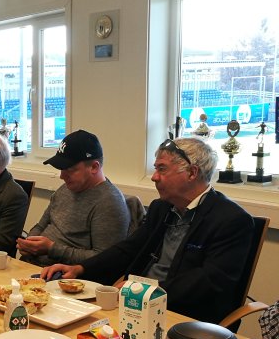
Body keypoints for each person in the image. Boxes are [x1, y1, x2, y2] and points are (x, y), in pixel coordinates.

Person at [43, 137, 254, 324]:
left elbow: (208, 283)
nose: (154, 177)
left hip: (185, 318)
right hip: (135, 306)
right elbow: (128, 249)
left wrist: (142, 291)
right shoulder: (162, 208)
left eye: (162, 169)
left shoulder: (231, 220)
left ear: (192, 173)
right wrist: (81, 268)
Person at [17, 130, 129, 266]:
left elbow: (105, 260)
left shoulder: (109, 203)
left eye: (69, 169)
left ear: (94, 167)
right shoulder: (66, 189)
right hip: (32, 265)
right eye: (61, 169)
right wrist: (29, 243)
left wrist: (51, 249)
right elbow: (41, 225)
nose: (62, 176)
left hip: (65, 278)